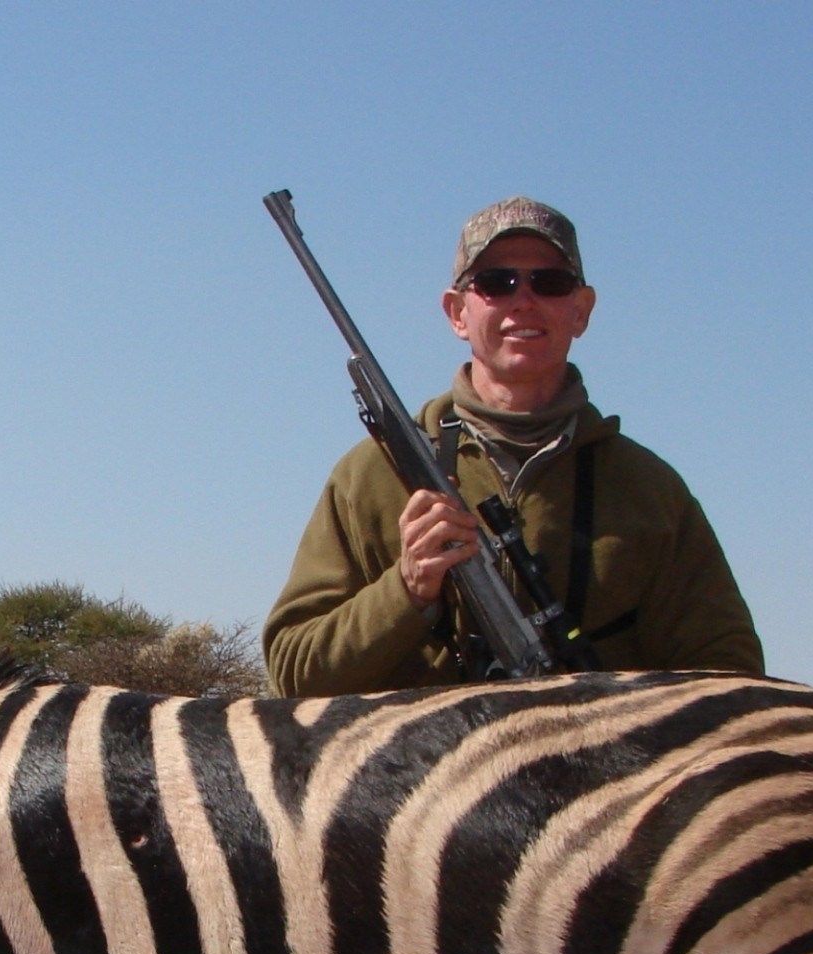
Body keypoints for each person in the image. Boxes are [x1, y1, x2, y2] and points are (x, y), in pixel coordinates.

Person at [263, 197, 763, 696]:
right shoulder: (370, 476)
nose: (523, 301)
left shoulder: (650, 489)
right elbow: (292, 673)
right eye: (495, 283)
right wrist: (407, 589)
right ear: (457, 312)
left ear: (580, 310)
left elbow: (730, 672)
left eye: (550, 282)